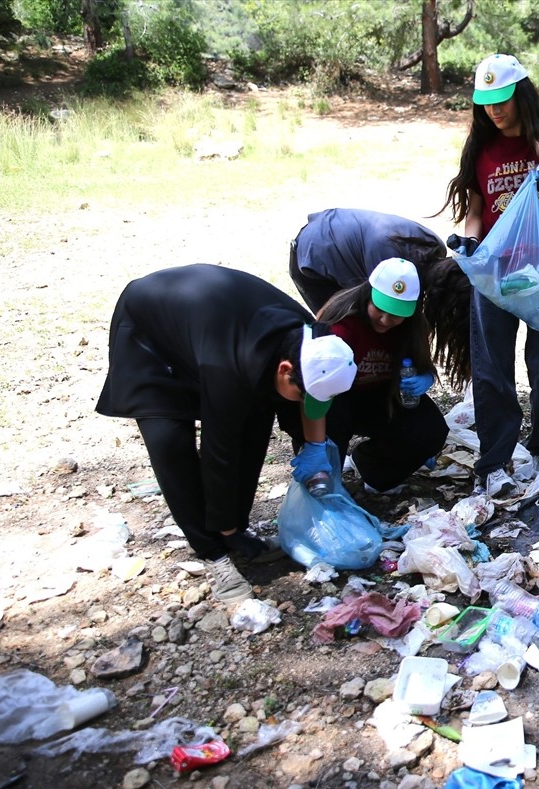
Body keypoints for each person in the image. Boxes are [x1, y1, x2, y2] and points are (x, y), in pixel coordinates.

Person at [96, 264, 357, 604]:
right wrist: (226, 531)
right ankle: (212, 553)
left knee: (256, 421)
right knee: (171, 444)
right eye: (302, 392)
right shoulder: (228, 372)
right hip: (149, 331)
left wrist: (315, 447)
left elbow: (310, 404)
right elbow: (221, 453)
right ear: (285, 369)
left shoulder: (316, 339)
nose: (305, 402)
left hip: (212, 328)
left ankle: (235, 528)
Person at [441, 53, 539, 498]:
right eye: (485, 102)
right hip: (495, 273)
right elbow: (475, 208)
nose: (494, 110)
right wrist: (469, 243)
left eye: (501, 100)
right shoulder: (480, 147)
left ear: (521, 94)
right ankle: (494, 462)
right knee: (492, 368)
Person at [298, 257, 450, 493]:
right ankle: (325, 483)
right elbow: (314, 382)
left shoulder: (410, 328)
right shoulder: (341, 322)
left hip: (381, 396)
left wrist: (424, 378)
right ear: (368, 295)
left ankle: (371, 467)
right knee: (330, 431)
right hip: (338, 399)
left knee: (429, 430)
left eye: (396, 314)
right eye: (380, 309)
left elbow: (422, 364)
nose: (386, 321)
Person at [289, 208, 472, 390]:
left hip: (334, 235)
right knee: (345, 343)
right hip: (313, 261)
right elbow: (395, 319)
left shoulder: (434, 247)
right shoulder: (389, 263)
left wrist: (424, 371)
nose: (386, 318)